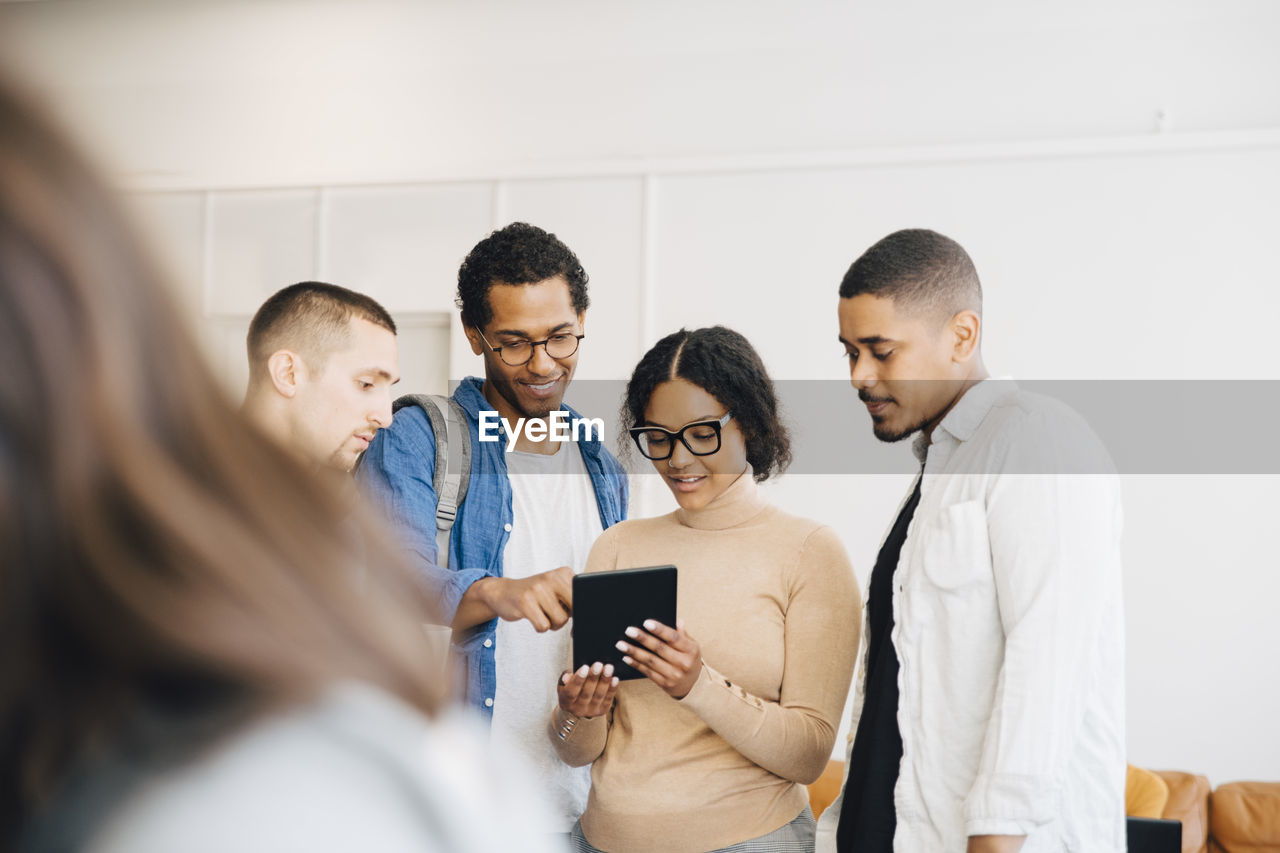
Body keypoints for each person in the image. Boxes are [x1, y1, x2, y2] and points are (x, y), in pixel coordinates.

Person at [0, 77, 560, 853]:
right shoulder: (170, 497)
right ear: (289, 371)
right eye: (367, 384)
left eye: (390, 388)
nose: (381, 410)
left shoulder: (330, 504)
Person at [817, 229, 1126, 852]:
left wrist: (995, 839)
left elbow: (1047, 661)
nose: (859, 375)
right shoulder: (941, 471)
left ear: (962, 336)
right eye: (850, 352)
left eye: (880, 351)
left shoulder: (1037, 440)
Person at [356, 222, 629, 831]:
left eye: (561, 338)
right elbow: (393, 583)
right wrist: (498, 591)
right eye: (513, 343)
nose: (541, 365)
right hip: (460, 814)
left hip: (587, 812)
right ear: (474, 337)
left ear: (581, 317)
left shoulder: (602, 465)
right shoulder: (417, 438)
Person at [551, 326, 861, 853]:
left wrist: (698, 684)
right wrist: (579, 712)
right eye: (658, 437)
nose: (677, 459)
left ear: (750, 424)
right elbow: (577, 752)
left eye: (700, 434)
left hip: (748, 842)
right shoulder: (618, 546)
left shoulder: (810, 551)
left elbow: (810, 755)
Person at [242, 281, 399, 475]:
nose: (385, 419)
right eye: (365, 384)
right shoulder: (199, 492)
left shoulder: (339, 495)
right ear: (287, 373)